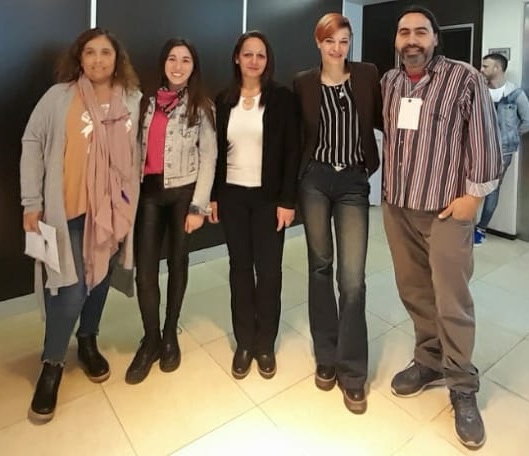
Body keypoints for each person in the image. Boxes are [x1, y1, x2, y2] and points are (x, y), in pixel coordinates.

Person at [380, 6, 501, 449]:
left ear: (435, 38)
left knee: (452, 299)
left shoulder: (463, 78)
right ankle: (428, 360)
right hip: (398, 206)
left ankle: (462, 384)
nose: (411, 40)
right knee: (414, 291)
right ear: (397, 40)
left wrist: (475, 197)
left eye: (420, 32)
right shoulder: (390, 82)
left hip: (447, 209)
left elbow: (485, 138)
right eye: (404, 32)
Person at [20, 28, 141, 422]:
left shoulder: (133, 99)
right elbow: (32, 141)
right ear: (79, 58)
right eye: (90, 52)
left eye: (106, 52)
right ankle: (53, 361)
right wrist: (32, 201)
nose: (98, 59)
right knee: (69, 291)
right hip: (67, 210)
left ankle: (88, 340)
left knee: (100, 280)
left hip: (112, 214)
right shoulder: (59, 97)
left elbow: (139, 152)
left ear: (117, 59)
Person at [293, 13, 382, 414]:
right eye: (330, 41)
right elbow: (298, 134)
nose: (337, 48)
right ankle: (326, 356)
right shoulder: (303, 82)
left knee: (352, 280)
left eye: (344, 41)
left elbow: (385, 118)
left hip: (352, 183)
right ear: (318, 42)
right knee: (319, 268)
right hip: (315, 179)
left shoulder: (366, 75)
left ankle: (353, 371)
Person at [125, 38, 217, 384]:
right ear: (163, 63)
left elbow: (209, 157)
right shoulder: (144, 102)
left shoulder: (201, 105)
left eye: (186, 60)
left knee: (178, 264)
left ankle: (169, 334)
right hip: (149, 194)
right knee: (145, 272)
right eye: (173, 59)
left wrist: (198, 206)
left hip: (184, 194)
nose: (178, 66)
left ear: (194, 67)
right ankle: (150, 339)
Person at [209, 31, 300, 381]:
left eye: (260, 55)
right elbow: (215, 152)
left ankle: (265, 344)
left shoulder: (282, 98)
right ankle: (244, 342)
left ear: (267, 60)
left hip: (269, 199)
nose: (254, 61)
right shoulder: (223, 99)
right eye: (248, 54)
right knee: (240, 270)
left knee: (270, 272)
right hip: (232, 197)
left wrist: (287, 200)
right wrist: (214, 196)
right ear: (237, 57)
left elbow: (292, 151)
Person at [475, 53, 529, 245]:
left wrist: (510, 136)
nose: (481, 69)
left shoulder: (515, 94)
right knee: (471, 185)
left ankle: (481, 229)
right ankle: (464, 225)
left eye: (485, 66)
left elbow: (527, 121)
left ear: (497, 68)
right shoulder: (479, 92)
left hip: (503, 152)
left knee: (492, 188)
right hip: (478, 147)